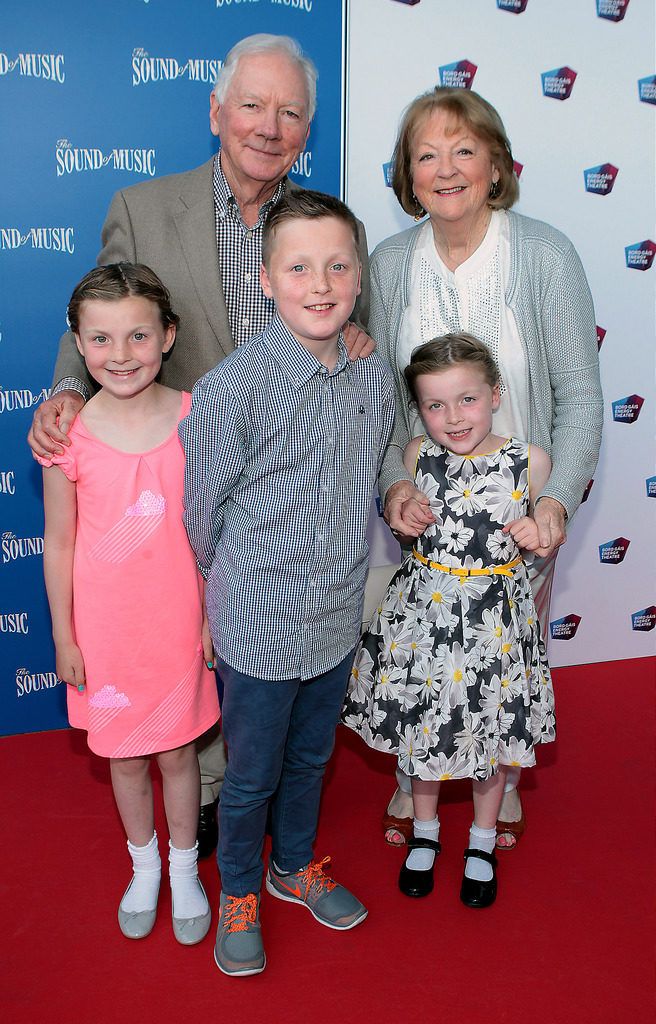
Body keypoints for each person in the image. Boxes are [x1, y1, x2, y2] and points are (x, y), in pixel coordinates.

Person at [27, 33, 374, 858]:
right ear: (216, 111)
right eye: (252, 104)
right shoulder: (145, 207)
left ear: (307, 130)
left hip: (290, 484)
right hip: (180, 471)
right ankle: (211, 807)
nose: (269, 125)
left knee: (258, 648)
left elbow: (351, 327)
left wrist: (358, 335)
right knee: (186, 635)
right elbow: (103, 314)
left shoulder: (318, 226)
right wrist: (69, 390)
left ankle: (247, 805)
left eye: (290, 111)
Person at [373, 86, 602, 848]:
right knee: (423, 651)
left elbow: (580, 396)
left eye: (463, 150)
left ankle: (492, 785)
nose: (445, 169)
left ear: (497, 164)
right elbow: (375, 408)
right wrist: (394, 485)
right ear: (406, 173)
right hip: (425, 518)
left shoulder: (543, 253)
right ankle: (419, 778)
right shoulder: (388, 263)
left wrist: (556, 504)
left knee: (502, 654)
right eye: (426, 154)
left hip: (517, 516)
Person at [180, 190, 394, 976]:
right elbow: (200, 512)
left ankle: (292, 865)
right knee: (250, 775)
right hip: (259, 622)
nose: (321, 282)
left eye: (339, 265)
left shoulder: (373, 378)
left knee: (311, 761)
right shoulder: (232, 388)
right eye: (299, 266)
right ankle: (240, 888)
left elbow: (376, 471)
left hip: (335, 616)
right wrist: (216, 598)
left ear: (360, 277)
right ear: (266, 279)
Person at [39, 263, 220, 944]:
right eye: (102, 339)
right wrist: (64, 635)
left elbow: (213, 530)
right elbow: (59, 544)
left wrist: (209, 617)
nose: (121, 355)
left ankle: (183, 870)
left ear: (168, 336)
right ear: (79, 343)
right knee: (123, 759)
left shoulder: (194, 418)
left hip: (177, 625)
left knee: (177, 756)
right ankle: (142, 866)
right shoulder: (68, 437)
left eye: (138, 336)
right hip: (106, 631)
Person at [343, 333, 556, 907]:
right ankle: (426, 832)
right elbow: (402, 517)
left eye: (466, 400)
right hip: (426, 625)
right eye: (435, 405)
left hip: (495, 632)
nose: (453, 418)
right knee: (426, 735)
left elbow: (543, 533)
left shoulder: (529, 463)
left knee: (489, 737)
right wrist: (402, 513)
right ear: (419, 410)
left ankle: (482, 840)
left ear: (495, 393)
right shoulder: (416, 458)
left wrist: (539, 536)